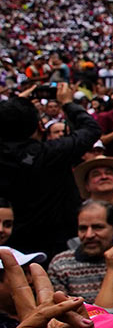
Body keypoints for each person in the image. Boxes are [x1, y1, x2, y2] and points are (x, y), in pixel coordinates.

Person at [0, 83, 101, 256]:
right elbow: (91, 130)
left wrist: (13, 105)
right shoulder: (51, 153)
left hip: (9, 244)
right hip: (54, 245)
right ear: (38, 126)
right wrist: (69, 104)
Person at [47, 200, 113, 305]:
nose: (89, 235)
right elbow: (60, 310)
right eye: (83, 228)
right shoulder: (61, 264)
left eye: (97, 227)